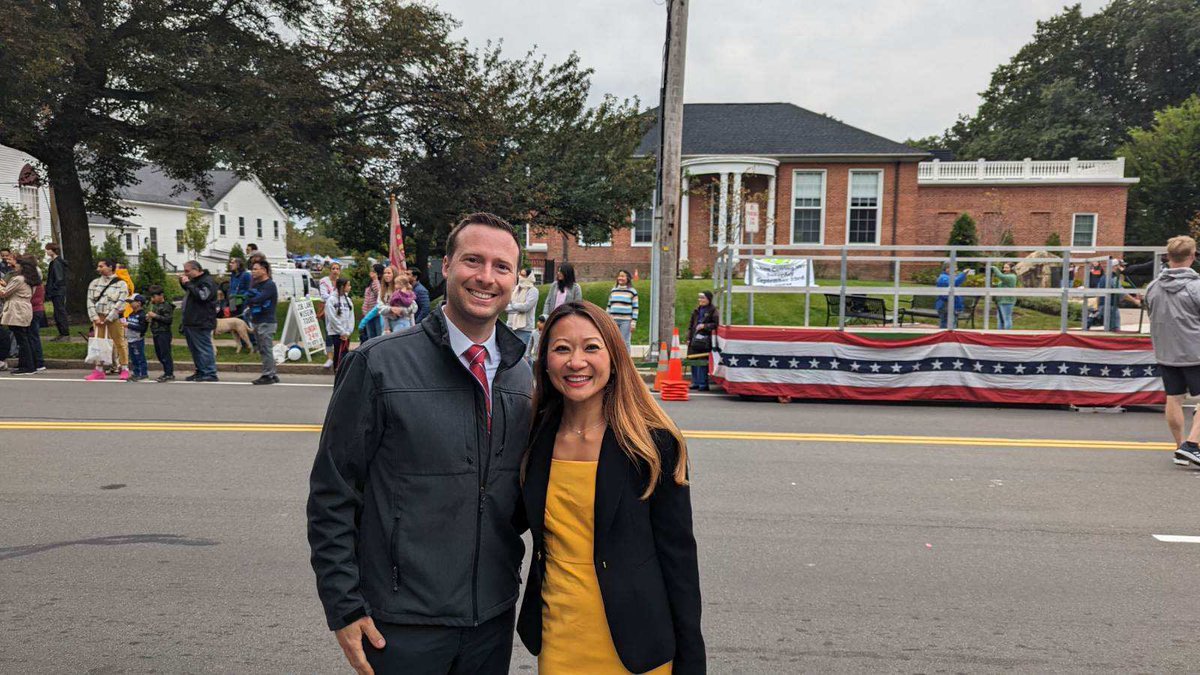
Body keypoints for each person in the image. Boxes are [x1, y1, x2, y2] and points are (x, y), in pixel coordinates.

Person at [308, 212, 531, 674]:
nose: (486, 277)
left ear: (515, 278)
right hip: (401, 622)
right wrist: (344, 606)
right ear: (445, 266)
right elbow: (333, 493)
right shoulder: (377, 365)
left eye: (501, 266)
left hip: (490, 618)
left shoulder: (523, 374)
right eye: (473, 260)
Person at [517, 300, 704, 674]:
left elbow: (679, 562)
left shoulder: (652, 444)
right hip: (560, 638)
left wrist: (691, 662)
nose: (576, 362)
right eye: (561, 349)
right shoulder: (535, 437)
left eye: (591, 347)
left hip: (636, 645)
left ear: (614, 356)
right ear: (545, 361)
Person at [1143, 236, 1200, 468]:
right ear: (1192, 256)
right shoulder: (1196, 287)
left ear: (1168, 257)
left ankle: (1180, 447)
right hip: (1195, 350)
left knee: (1174, 398)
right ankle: (1192, 445)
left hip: (1166, 351)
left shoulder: (1153, 287)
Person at [84, 258, 131, 381]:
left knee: (119, 342)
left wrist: (110, 317)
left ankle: (124, 368)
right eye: (98, 267)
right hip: (99, 317)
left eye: (101, 266)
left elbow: (121, 302)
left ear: (110, 267)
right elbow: (90, 301)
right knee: (99, 342)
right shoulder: (94, 283)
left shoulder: (121, 284)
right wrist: (95, 317)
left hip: (113, 317)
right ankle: (99, 369)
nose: (98, 269)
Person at [179, 260, 219, 382]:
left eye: (187, 271)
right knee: (195, 349)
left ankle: (210, 372)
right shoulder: (195, 282)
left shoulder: (207, 281)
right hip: (191, 321)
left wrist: (189, 284)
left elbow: (203, 296)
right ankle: (201, 370)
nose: (186, 274)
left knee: (204, 348)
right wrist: (184, 283)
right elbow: (192, 293)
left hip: (202, 321)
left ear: (196, 270)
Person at [0, 256, 38, 375]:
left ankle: (28, 366)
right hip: (25, 308)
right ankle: (27, 364)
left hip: (17, 309)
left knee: (21, 339)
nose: (15, 266)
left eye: (17, 264)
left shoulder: (19, 279)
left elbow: (4, 293)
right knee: (24, 337)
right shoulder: (31, 279)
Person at [245, 258, 279, 385]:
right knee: (263, 348)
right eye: (252, 269)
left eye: (255, 269)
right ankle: (272, 373)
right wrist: (251, 297)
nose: (252, 272)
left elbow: (258, 299)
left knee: (266, 348)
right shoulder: (256, 284)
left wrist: (252, 297)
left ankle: (268, 375)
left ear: (264, 270)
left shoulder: (269, 285)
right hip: (257, 320)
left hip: (267, 321)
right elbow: (248, 299)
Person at [687, 291, 719, 391]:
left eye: (703, 298)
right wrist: (688, 338)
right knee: (693, 360)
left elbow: (716, 324)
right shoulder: (696, 310)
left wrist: (705, 326)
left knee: (702, 361)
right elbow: (691, 325)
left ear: (708, 299)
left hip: (705, 339)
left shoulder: (713, 310)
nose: (701, 300)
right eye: (700, 298)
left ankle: (703, 383)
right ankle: (695, 382)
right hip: (694, 338)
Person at [324, 277, 355, 372]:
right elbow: (332, 318)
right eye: (348, 285)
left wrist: (348, 331)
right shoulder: (331, 300)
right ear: (342, 287)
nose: (350, 287)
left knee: (345, 355)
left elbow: (351, 316)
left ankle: (343, 375)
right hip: (336, 333)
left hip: (346, 333)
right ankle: (337, 374)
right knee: (338, 355)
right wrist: (341, 332)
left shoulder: (348, 300)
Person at [146, 285, 175, 382]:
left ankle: (169, 373)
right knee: (159, 354)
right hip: (156, 332)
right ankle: (166, 371)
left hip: (164, 332)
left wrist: (155, 316)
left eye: (154, 296)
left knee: (165, 353)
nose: (152, 299)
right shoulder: (155, 306)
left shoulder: (167, 306)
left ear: (161, 295)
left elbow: (168, 320)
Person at [605, 269, 639, 351]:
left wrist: (633, 322)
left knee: (625, 342)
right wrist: (606, 318)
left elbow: (635, 308)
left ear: (628, 278)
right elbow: (609, 305)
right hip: (613, 320)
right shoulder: (613, 290)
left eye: (623, 276)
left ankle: (626, 361)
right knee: (613, 341)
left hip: (626, 321)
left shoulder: (632, 292)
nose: (620, 278)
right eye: (619, 276)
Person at [507, 267, 540, 347]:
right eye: (520, 274)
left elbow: (526, 307)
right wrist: (518, 309)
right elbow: (506, 307)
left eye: (523, 275)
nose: (520, 277)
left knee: (522, 357)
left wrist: (513, 305)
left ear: (529, 276)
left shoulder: (533, 291)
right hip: (510, 326)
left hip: (524, 329)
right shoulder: (515, 289)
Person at [318, 262, 342, 368]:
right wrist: (335, 297)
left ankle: (338, 356)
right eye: (333, 268)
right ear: (330, 270)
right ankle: (329, 358)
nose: (335, 270)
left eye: (337, 268)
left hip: (339, 311)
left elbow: (344, 294)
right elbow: (324, 295)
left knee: (339, 334)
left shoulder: (341, 282)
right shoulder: (324, 281)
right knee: (328, 334)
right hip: (327, 310)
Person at [44, 242, 70, 340]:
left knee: (59, 312)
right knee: (58, 312)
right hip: (58, 291)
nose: (46, 251)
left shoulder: (56, 263)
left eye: (47, 249)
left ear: (52, 250)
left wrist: (52, 289)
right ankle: (62, 333)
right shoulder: (55, 262)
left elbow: (58, 278)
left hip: (57, 291)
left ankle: (64, 333)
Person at [935, 263, 972, 329]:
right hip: (946, 306)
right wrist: (963, 274)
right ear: (947, 269)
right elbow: (954, 283)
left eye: (956, 268)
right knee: (948, 327)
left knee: (950, 325)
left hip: (951, 306)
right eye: (954, 268)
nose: (956, 269)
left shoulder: (948, 277)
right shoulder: (943, 278)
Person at [124, 294, 150, 382]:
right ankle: (136, 373)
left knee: (140, 356)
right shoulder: (131, 314)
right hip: (130, 338)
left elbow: (142, 328)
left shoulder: (142, 315)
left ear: (139, 303)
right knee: (133, 358)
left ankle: (143, 374)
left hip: (138, 339)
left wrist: (129, 325)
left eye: (132, 302)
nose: (130, 304)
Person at [990, 262, 1018, 330]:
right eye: (1004, 267)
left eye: (1006, 267)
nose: (1004, 269)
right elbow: (999, 285)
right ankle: (999, 334)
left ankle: (1007, 334)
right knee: (1000, 319)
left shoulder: (1012, 276)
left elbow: (1001, 276)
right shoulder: (1007, 276)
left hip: (1007, 300)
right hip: (1001, 300)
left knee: (1007, 318)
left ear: (1012, 269)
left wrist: (993, 268)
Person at [359, 263, 384, 342]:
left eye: (373, 271)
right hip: (368, 314)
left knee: (378, 336)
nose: (371, 273)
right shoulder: (370, 283)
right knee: (371, 337)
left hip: (377, 314)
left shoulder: (378, 283)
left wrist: (375, 279)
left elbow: (379, 294)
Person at [27, 270, 46, 371]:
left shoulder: (35, 285)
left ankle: (38, 362)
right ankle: (37, 361)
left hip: (34, 310)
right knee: (33, 336)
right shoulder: (39, 284)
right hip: (38, 310)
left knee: (33, 337)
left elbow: (34, 299)